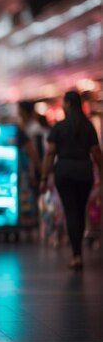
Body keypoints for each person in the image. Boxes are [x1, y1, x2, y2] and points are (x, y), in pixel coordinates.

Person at [40, 91, 103, 270]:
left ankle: (76, 256)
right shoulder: (88, 126)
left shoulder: (59, 127)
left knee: (70, 211)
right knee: (80, 210)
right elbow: (96, 152)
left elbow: (50, 152)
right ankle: (79, 253)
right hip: (84, 171)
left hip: (64, 172)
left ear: (67, 104)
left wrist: (44, 177)